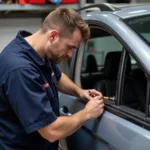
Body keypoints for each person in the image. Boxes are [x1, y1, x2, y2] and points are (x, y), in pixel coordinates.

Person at [0, 7, 104, 150]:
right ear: (53, 35)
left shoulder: (38, 52)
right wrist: (87, 113)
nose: (70, 55)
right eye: (69, 47)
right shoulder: (21, 70)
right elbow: (50, 131)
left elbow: (58, 77)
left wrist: (80, 92)